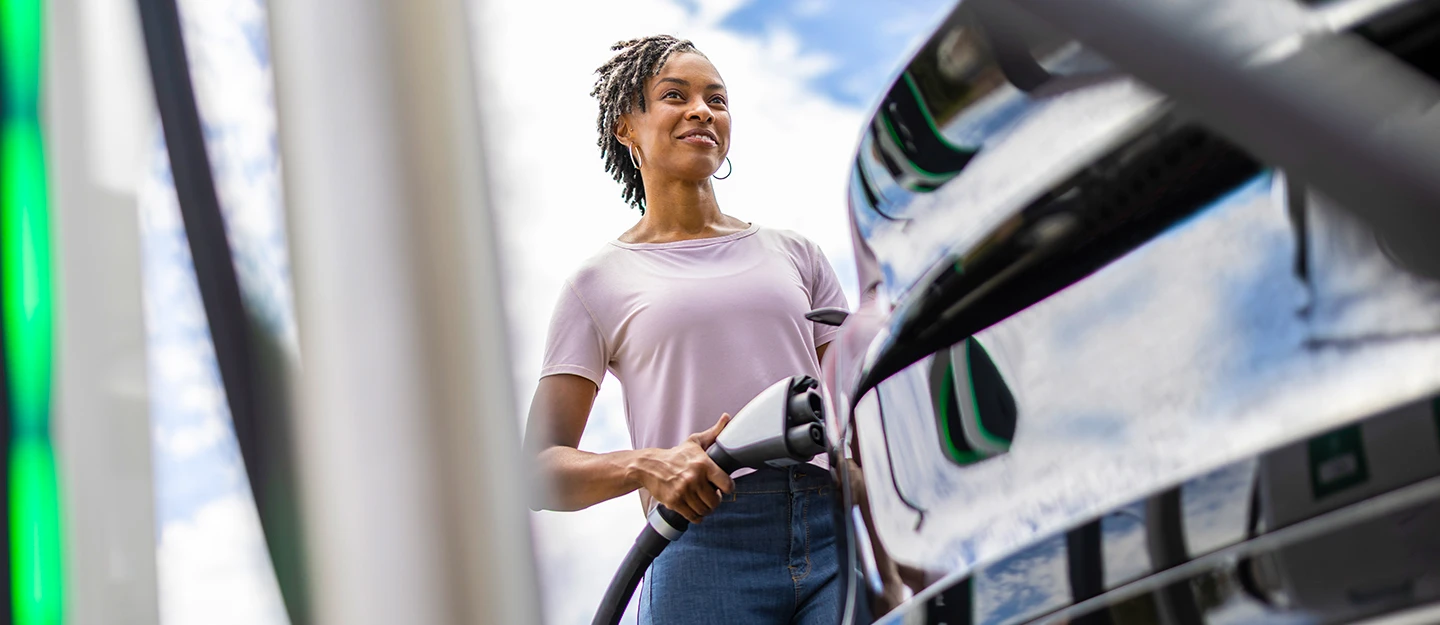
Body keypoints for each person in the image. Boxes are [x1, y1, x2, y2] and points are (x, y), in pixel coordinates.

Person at [523, 35, 849, 624]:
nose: (702, 110)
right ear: (627, 127)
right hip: (701, 542)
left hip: (836, 531)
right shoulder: (597, 283)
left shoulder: (797, 254)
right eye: (675, 96)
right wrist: (647, 465)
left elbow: (856, 409)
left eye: (716, 100)